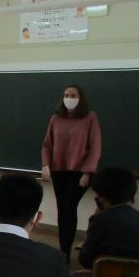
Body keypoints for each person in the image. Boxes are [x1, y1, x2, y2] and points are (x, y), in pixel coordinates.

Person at [41, 85, 102, 262]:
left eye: (73, 95)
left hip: (80, 173)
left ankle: (65, 252)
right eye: (66, 95)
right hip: (58, 170)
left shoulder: (90, 117)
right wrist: (45, 165)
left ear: (80, 98)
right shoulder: (56, 118)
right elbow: (47, 145)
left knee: (68, 207)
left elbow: (95, 146)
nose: (69, 98)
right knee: (63, 209)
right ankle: (64, 251)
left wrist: (87, 172)